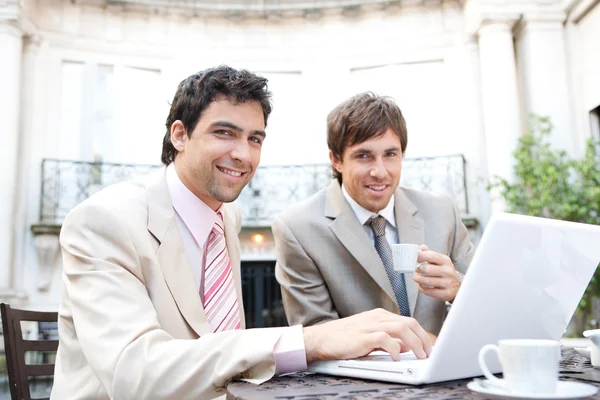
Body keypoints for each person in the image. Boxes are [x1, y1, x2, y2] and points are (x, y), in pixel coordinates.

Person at [51, 67, 433, 400]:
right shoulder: (102, 221)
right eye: (225, 133)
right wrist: (308, 340)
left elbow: (217, 352)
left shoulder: (226, 218)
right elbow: (133, 376)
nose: (244, 155)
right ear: (179, 135)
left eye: (255, 139)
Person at [273, 92, 475, 336]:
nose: (380, 172)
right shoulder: (297, 228)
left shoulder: (443, 212)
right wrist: (413, 344)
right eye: (364, 156)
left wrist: (459, 288)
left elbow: (487, 303)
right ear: (336, 160)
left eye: (390, 154)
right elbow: (315, 336)